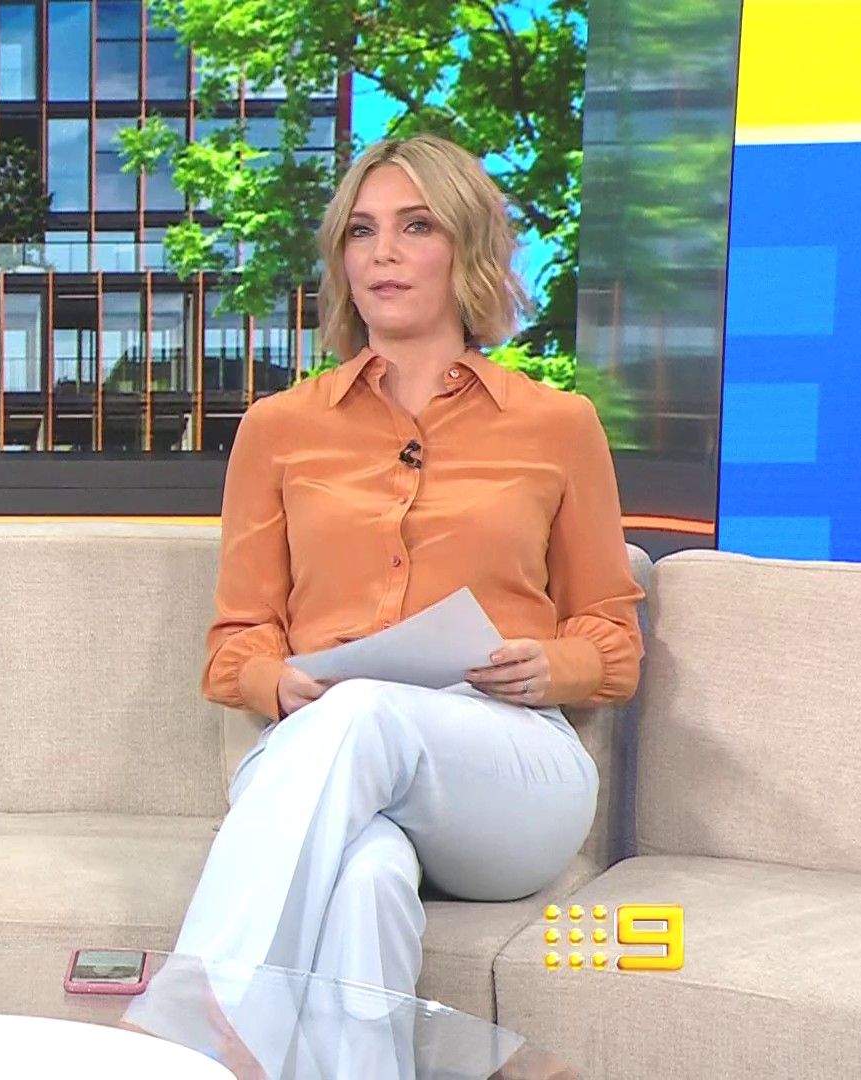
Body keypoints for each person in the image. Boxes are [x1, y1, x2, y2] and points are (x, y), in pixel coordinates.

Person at [174, 134, 643, 1004]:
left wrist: (554, 665)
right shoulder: (278, 429)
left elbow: (611, 638)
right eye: (361, 231)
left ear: (468, 248)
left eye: (415, 226)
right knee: (365, 882)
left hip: (507, 769)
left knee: (363, 710)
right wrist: (275, 682)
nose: (382, 252)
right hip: (323, 749)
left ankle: (199, 1015)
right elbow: (236, 642)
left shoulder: (559, 424)